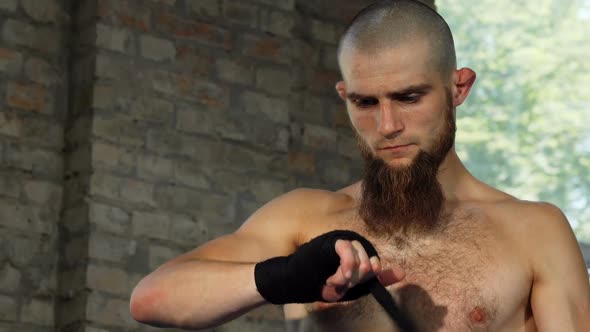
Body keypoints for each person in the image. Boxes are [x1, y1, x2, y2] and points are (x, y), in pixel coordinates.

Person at [129, 0, 590, 330]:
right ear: (344, 96)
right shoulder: (303, 218)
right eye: (365, 102)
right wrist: (282, 277)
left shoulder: (534, 230)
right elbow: (152, 299)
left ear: (459, 88)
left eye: (409, 97)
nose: (387, 125)